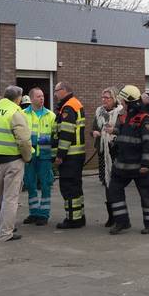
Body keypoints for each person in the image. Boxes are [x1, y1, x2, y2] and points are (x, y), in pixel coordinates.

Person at [0, 86, 33, 242]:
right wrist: (27, 157)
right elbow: (23, 140)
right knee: (10, 198)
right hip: (13, 160)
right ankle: (5, 233)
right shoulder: (15, 112)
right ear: (18, 98)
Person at [106, 85, 149, 235]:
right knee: (114, 191)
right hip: (122, 165)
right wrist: (114, 130)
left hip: (138, 167)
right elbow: (126, 133)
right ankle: (122, 222)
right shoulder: (126, 116)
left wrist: (145, 164)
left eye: (122, 100)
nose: (120, 103)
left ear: (129, 101)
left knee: (146, 195)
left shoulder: (144, 119)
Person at [53, 82, 87, 229]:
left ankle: (73, 219)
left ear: (64, 90)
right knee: (76, 187)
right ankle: (79, 216)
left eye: (56, 91)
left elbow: (66, 133)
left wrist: (60, 155)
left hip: (70, 156)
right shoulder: (75, 104)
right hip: (76, 154)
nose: (54, 94)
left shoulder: (68, 107)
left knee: (69, 187)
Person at [22, 88, 56, 227]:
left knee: (46, 184)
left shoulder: (51, 115)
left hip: (45, 155)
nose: (42, 98)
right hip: (29, 155)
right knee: (30, 183)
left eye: (42, 96)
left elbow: (55, 136)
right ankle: (34, 212)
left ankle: (44, 214)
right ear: (31, 99)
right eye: (38, 96)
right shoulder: (22, 114)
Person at [91, 87, 123, 227]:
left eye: (107, 97)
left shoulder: (121, 112)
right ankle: (111, 216)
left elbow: (124, 130)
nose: (104, 100)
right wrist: (95, 133)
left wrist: (113, 131)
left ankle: (119, 216)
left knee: (115, 184)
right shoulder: (99, 112)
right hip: (103, 153)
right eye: (103, 97)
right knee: (107, 184)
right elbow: (93, 128)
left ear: (114, 98)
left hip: (116, 152)